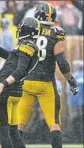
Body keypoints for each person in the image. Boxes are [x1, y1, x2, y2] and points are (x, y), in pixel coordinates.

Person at [17, 2, 79, 148]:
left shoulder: (28, 28)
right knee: (54, 124)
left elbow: (18, 57)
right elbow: (62, 62)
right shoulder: (56, 32)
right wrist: (71, 80)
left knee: (19, 124)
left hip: (26, 82)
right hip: (46, 83)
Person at [0, 17, 40, 148]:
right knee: (13, 132)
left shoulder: (27, 47)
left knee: (3, 132)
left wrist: (2, 84)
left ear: (24, 31)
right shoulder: (27, 48)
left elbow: (20, 70)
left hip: (6, 91)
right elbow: (7, 55)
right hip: (15, 92)